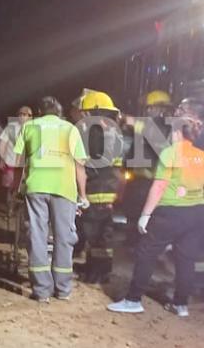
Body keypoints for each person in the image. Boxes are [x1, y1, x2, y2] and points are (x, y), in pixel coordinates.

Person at [107, 98, 204, 318]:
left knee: (147, 252)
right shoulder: (201, 155)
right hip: (197, 212)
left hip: (170, 211)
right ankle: (181, 305)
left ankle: (133, 300)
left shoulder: (171, 153)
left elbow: (159, 186)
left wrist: (145, 216)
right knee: (186, 259)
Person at [14, 96, 89, 302]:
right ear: (60, 112)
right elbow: (79, 166)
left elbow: (20, 163)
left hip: (36, 187)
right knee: (64, 237)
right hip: (65, 189)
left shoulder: (30, 127)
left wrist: (15, 189)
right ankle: (63, 289)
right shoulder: (71, 129)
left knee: (37, 236)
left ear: (39, 111)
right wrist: (82, 196)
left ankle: (41, 290)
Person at [75, 90, 124, 284]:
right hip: (110, 189)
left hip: (95, 189)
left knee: (94, 234)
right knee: (105, 234)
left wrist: (81, 192)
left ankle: (95, 273)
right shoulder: (115, 131)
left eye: (85, 112)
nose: (83, 116)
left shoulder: (93, 132)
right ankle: (102, 271)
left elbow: (85, 164)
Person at [119, 90, 174, 246]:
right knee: (131, 210)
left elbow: (159, 143)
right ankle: (132, 241)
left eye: (151, 108)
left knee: (147, 216)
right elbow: (135, 149)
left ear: (162, 108)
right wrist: (126, 166)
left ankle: (144, 245)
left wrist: (135, 124)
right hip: (137, 180)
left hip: (151, 180)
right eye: (147, 108)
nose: (148, 111)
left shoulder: (166, 125)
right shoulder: (147, 125)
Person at [0, 106, 32, 205]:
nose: (23, 116)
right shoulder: (11, 127)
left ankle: (15, 209)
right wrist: (2, 159)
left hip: (26, 165)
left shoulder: (33, 128)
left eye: (26, 115)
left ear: (30, 117)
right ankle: (9, 209)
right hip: (10, 162)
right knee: (9, 187)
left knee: (22, 189)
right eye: (21, 114)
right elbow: (2, 143)